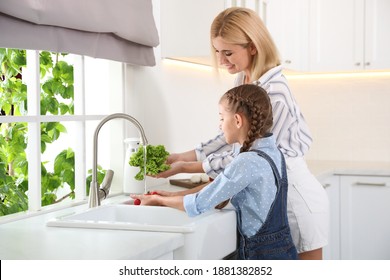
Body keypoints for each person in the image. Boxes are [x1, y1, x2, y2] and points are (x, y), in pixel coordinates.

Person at [155, 7, 329, 260]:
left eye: (228, 52)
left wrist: (186, 167)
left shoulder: (274, 92)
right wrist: (180, 157)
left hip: (294, 199)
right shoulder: (245, 81)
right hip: (271, 194)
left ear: (253, 47)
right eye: (217, 51)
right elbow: (228, 138)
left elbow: (250, 156)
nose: (222, 60)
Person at [132, 84, 298, 260]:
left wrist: (159, 200)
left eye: (221, 118)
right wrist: (172, 195)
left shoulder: (246, 161)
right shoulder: (272, 151)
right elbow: (220, 187)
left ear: (237, 120)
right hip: (284, 250)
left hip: (261, 256)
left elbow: (198, 204)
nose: (220, 126)